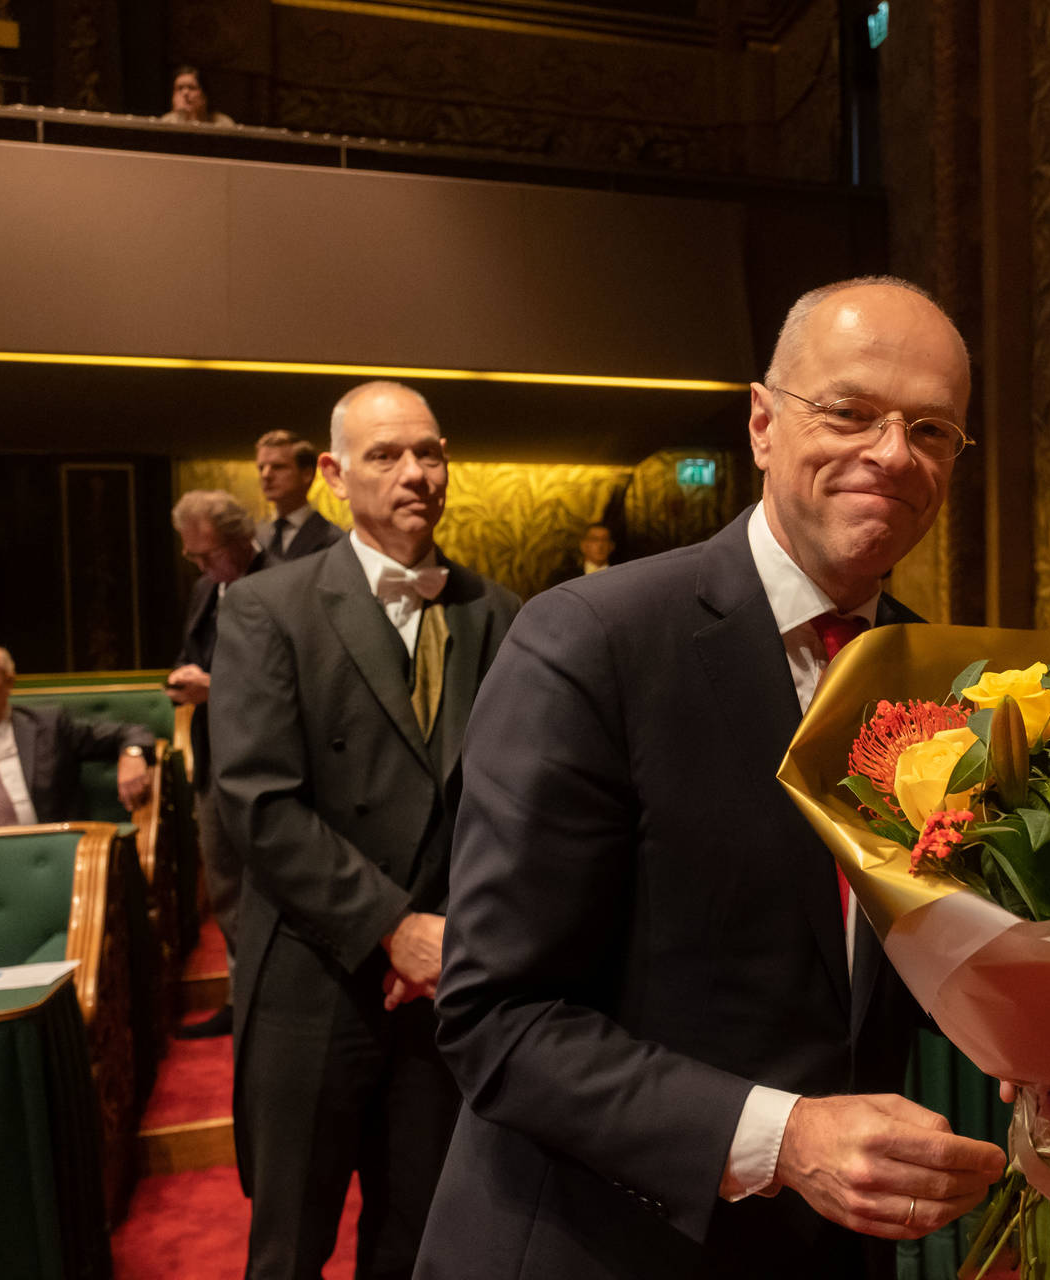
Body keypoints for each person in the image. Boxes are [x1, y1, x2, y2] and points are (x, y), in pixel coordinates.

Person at [415, 278, 1006, 1279]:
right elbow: (496, 1020)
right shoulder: (593, 639)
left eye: (933, 431)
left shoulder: (935, 677)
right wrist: (787, 1139)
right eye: (852, 411)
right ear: (763, 423)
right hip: (594, 1246)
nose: (893, 453)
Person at [212, 381, 520, 1279]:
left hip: (443, 989)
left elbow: (512, 804)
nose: (415, 473)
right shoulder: (268, 607)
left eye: (429, 453)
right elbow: (259, 804)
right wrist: (395, 929)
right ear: (335, 477)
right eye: (387, 456)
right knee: (290, 1246)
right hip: (316, 973)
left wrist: (457, 938)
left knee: (420, 1235)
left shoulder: (499, 613)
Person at [165, 489, 265, 1040]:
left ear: (241, 538)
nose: (202, 567)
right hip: (214, 759)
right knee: (225, 891)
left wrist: (215, 687)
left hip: (269, 762)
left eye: (208, 555)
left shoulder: (283, 579)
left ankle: (264, 1002)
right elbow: (194, 655)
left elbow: (296, 682)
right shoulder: (207, 589)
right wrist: (184, 679)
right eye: (193, 558)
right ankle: (240, 997)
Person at [0, 641, 153, 827]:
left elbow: (130, 733)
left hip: (48, 850)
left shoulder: (49, 727)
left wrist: (133, 754)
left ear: (9, 682)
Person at [254, 429, 344, 561]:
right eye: (261, 468)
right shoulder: (257, 536)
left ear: (307, 474)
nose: (265, 475)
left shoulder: (334, 540)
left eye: (278, 467)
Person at [157, 65, 234, 126]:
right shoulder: (165, 123)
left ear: (204, 94)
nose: (185, 93)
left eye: (191, 88)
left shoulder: (223, 124)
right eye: (179, 88)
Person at [547, 520, 615, 585]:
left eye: (605, 539)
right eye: (594, 539)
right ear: (583, 545)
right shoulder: (563, 577)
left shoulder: (620, 576)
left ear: (611, 546)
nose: (600, 545)